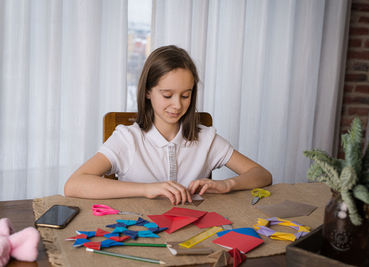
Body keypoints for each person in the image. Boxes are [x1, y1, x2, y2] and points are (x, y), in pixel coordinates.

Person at [64, 45, 272, 205]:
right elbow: (74, 184)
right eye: (167, 95)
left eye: (185, 95)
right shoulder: (128, 139)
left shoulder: (206, 139)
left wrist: (228, 184)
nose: (177, 105)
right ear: (147, 92)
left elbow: (262, 175)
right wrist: (146, 189)